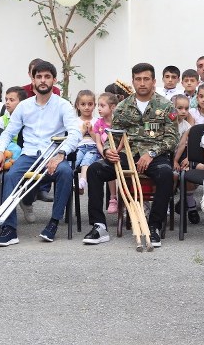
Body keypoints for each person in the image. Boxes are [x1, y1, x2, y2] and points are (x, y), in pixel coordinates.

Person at [83, 63, 177, 249]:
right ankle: (99, 226)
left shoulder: (166, 106)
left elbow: (172, 138)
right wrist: (108, 150)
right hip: (127, 154)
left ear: (154, 81)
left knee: (166, 174)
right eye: (138, 79)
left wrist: (151, 154)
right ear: (133, 81)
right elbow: (114, 135)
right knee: (95, 170)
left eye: (146, 79)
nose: (142, 83)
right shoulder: (122, 107)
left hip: (154, 155)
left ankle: (154, 226)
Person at [0, 60, 80, 246]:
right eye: (39, 77)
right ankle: (9, 229)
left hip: (53, 155)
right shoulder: (24, 106)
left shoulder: (63, 105)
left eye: (47, 77)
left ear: (54, 80)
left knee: (65, 172)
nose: (43, 80)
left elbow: (75, 133)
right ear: (33, 80)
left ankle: (53, 223)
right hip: (29, 155)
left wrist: (61, 154)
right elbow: (8, 132)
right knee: (10, 176)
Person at [93, 92, 120, 214]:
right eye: (98, 105)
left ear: (112, 107)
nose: (99, 108)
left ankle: (124, 197)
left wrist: (116, 152)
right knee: (107, 166)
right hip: (104, 154)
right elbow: (98, 142)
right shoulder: (98, 123)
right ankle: (113, 198)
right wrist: (104, 153)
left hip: (118, 152)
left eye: (102, 106)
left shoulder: (118, 123)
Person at [72, 90, 99, 194]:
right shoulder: (74, 122)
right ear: (77, 106)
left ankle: (82, 181)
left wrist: (91, 131)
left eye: (90, 104)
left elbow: (98, 140)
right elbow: (74, 139)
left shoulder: (97, 121)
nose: (86, 107)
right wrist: (83, 131)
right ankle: (71, 182)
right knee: (74, 161)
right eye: (83, 104)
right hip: (79, 148)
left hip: (93, 148)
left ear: (94, 105)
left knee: (87, 160)